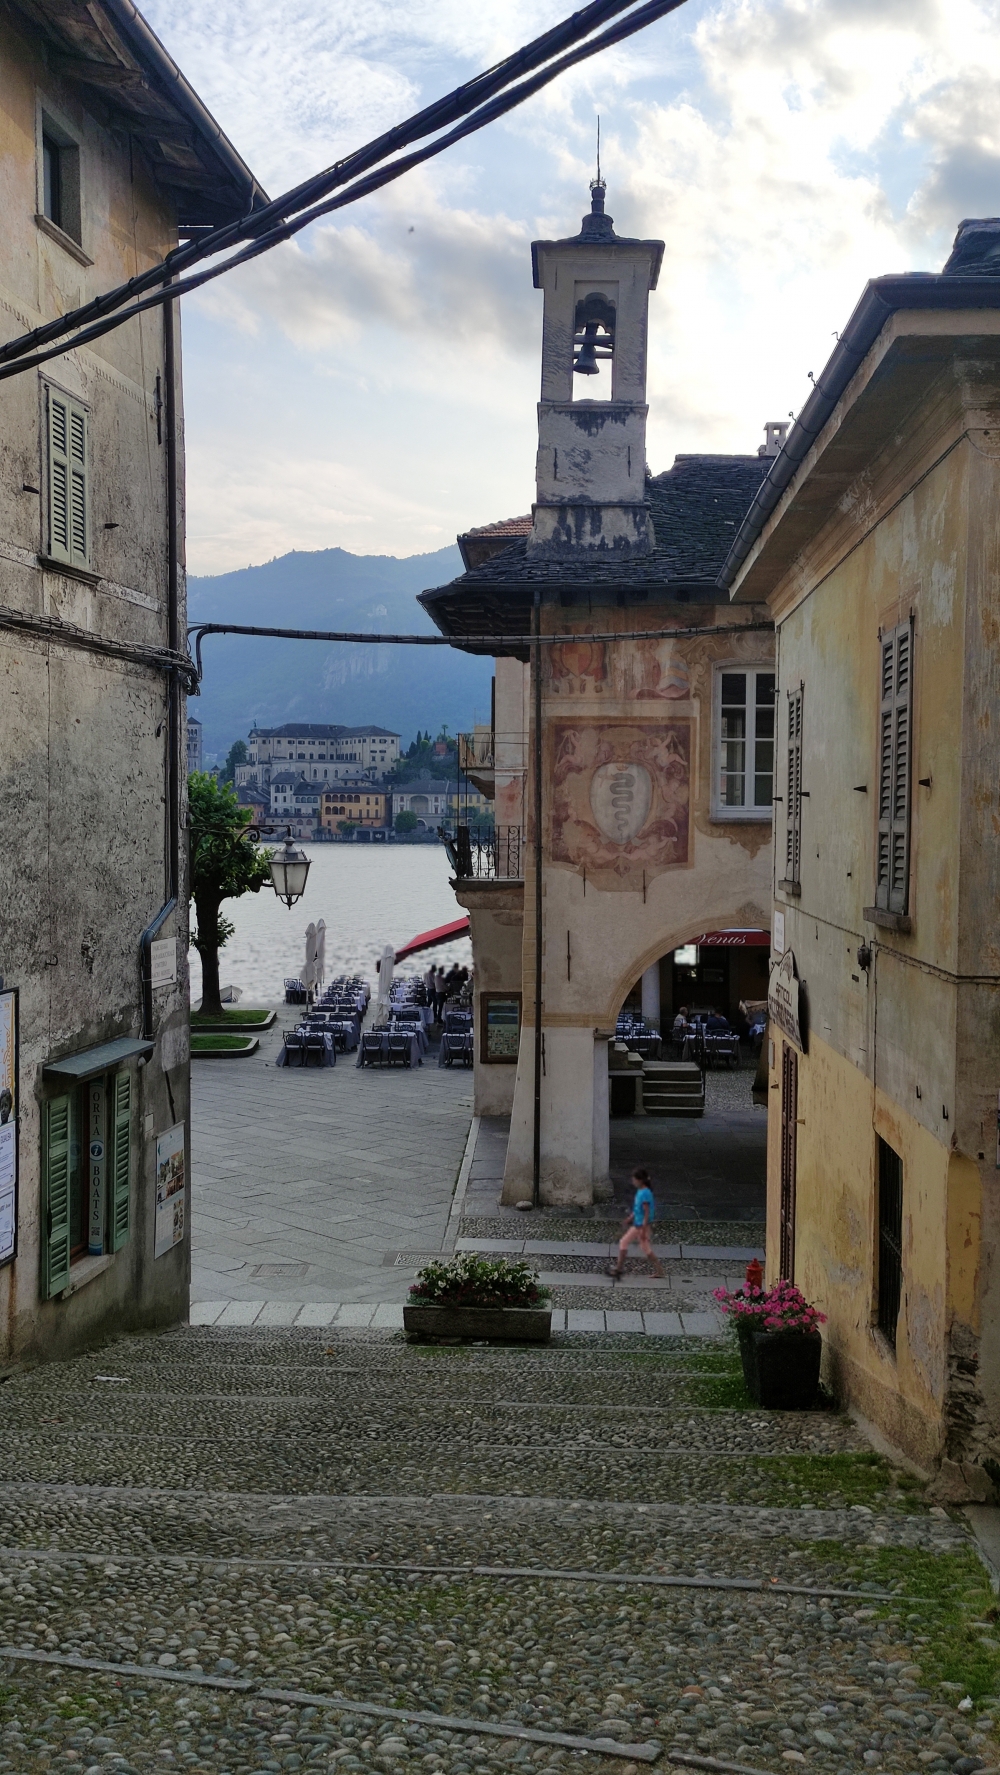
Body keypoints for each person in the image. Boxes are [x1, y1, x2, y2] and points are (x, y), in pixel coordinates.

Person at [609, 1168, 664, 1281]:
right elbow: (638, 1209)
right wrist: (630, 1218)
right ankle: (660, 1271)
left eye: (634, 1179)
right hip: (639, 1224)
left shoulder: (644, 1193)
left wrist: (643, 1229)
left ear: (640, 1180)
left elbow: (646, 1213)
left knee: (624, 1242)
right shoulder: (642, 1191)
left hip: (640, 1225)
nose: (633, 1181)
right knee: (646, 1248)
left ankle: (618, 1269)